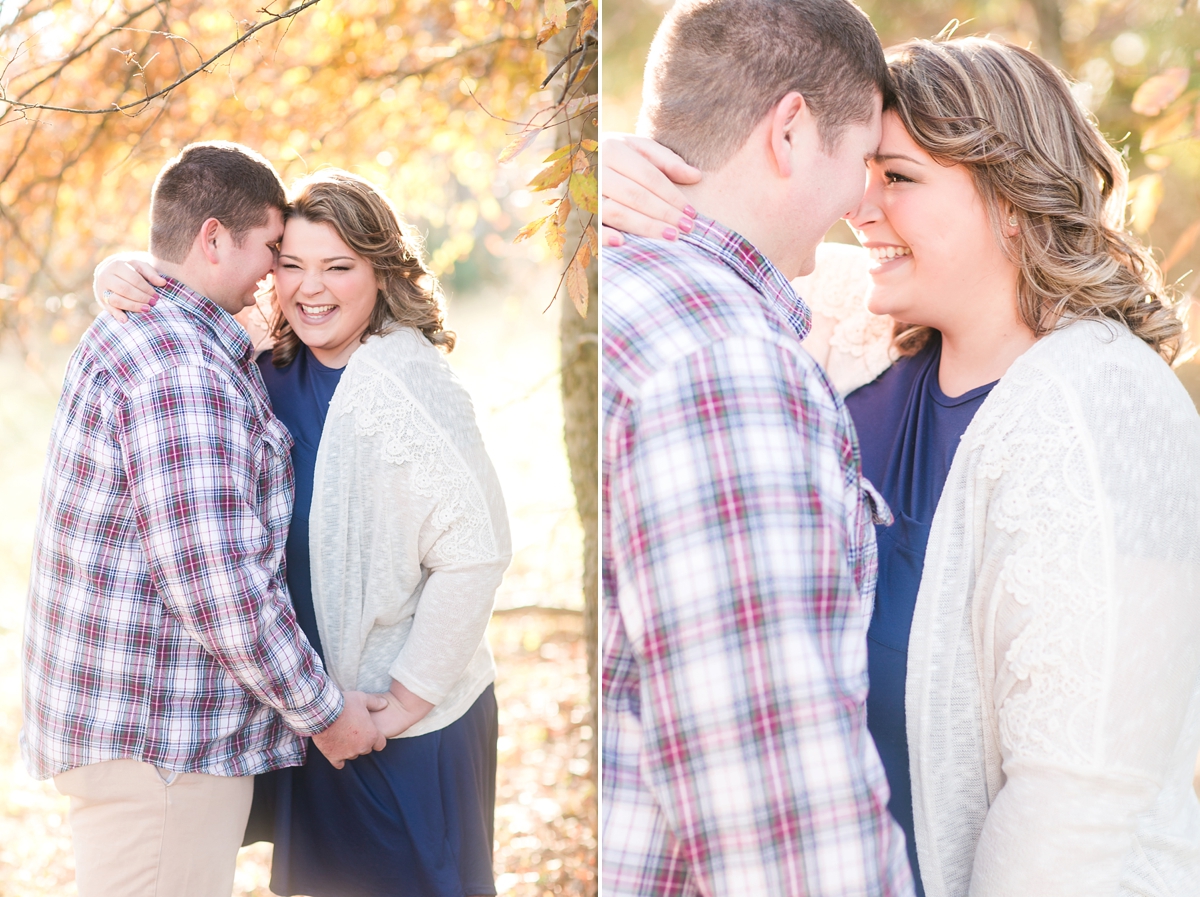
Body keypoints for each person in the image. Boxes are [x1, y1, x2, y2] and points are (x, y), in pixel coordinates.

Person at [604, 34, 1200, 897]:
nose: (861, 207)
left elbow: (1078, 802)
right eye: (864, 172)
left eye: (901, 178)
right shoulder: (837, 330)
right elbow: (728, 236)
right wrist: (621, 174)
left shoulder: (1116, 408)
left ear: (1011, 195)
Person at [95, 168, 512, 897]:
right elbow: (188, 292)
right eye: (291, 264)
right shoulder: (263, 364)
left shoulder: (409, 385)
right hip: (312, 713)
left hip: (399, 727)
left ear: (380, 271)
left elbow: (476, 550)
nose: (310, 288)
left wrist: (408, 695)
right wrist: (120, 272)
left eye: (338, 267)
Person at [601, 0, 915, 894]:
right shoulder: (726, 361)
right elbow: (780, 819)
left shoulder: (618, 288)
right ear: (789, 129)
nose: (864, 202)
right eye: (862, 162)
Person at [22, 142, 387, 897]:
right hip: (161, 750)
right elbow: (218, 583)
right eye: (272, 248)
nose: (275, 274)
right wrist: (324, 713)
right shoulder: (183, 371)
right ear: (214, 238)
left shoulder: (155, 332)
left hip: (143, 739)